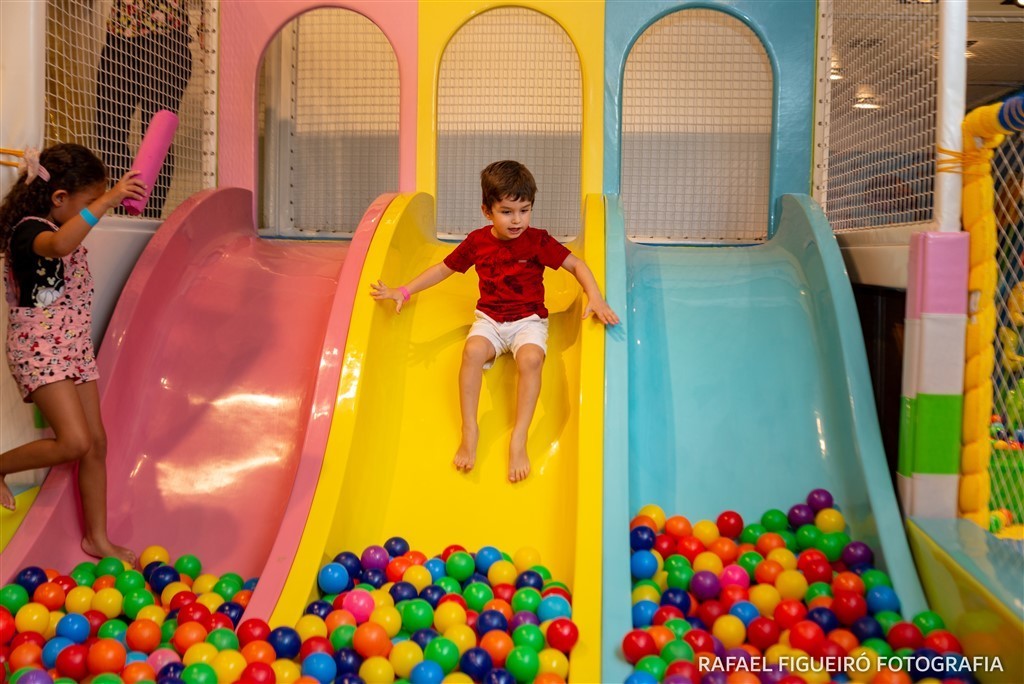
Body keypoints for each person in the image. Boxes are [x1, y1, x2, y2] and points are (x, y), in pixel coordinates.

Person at [371, 161, 619, 482]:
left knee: (531, 359)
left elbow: (576, 265)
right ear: (487, 211)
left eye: (524, 211)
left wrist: (595, 297)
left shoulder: (537, 241)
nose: (517, 220)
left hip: (528, 321)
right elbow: (443, 269)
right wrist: (404, 291)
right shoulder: (477, 242)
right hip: (489, 319)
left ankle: (519, 437)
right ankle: (470, 428)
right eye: (506, 212)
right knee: (472, 351)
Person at [0, 143, 145, 565]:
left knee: (96, 443)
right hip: (40, 349)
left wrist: (106, 199)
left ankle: (97, 539)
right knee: (75, 442)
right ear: (59, 198)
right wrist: (109, 199)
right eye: (88, 202)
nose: (96, 211)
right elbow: (61, 245)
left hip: (72, 346)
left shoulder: (56, 223)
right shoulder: (29, 231)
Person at [96, 0, 195, 218]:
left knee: (156, 135)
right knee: (108, 130)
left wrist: (207, 29)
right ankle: (125, 213)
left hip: (167, 34)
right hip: (120, 33)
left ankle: (149, 217)